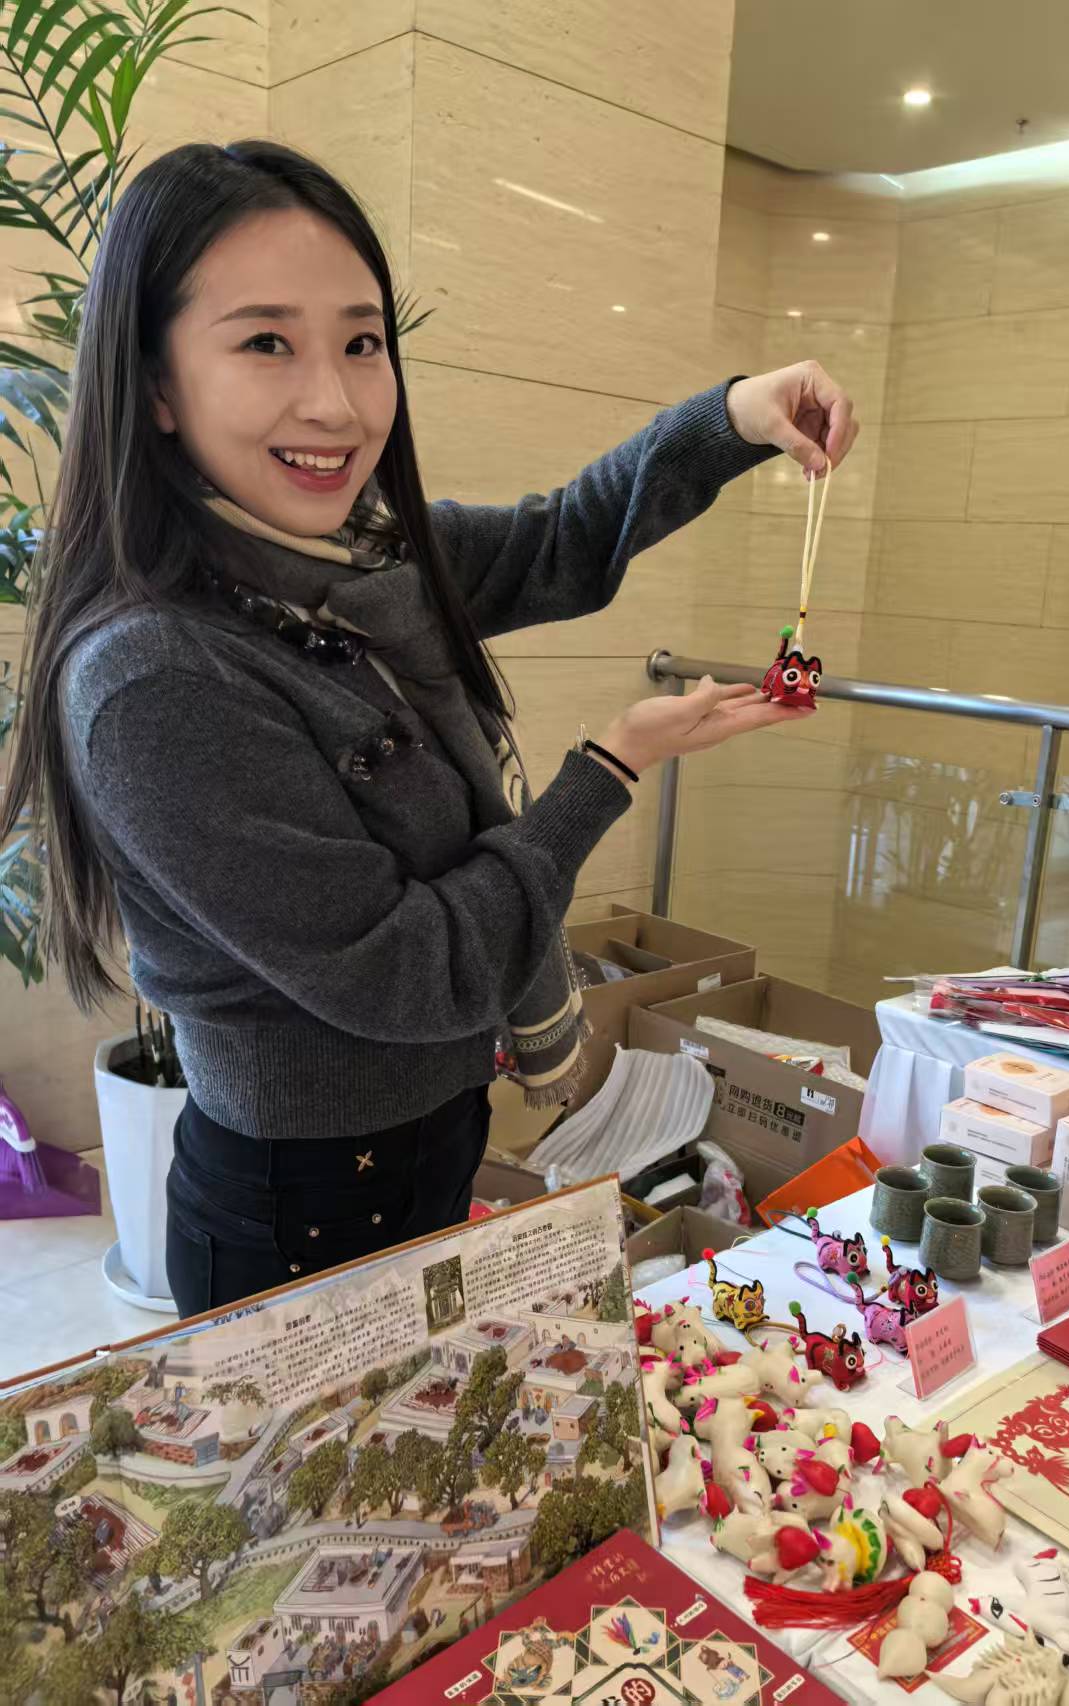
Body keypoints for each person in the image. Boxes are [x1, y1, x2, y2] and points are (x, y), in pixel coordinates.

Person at [3, 141, 857, 1318]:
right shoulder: (155, 676)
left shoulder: (369, 555)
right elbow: (410, 970)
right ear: (154, 383)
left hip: (437, 1124)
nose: (336, 402)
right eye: (266, 343)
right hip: (298, 1196)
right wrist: (611, 766)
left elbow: (560, 539)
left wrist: (734, 418)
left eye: (362, 342)